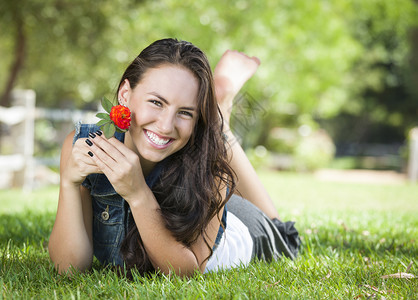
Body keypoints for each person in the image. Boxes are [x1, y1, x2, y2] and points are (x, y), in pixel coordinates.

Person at [48, 38, 300, 277]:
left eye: (185, 113)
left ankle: (219, 117)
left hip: (235, 230)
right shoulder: (86, 147)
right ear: (125, 94)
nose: (166, 126)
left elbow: (187, 272)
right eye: (157, 102)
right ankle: (217, 113)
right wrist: (69, 183)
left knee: (286, 236)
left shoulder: (209, 168)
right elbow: (69, 267)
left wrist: (137, 193)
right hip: (192, 201)